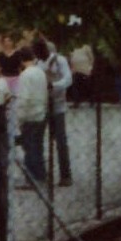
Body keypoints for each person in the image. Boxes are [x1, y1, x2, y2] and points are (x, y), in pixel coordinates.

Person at [14, 40, 50, 184]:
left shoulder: (25, 75)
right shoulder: (40, 72)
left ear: (21, 60)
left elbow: (24, 98)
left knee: (29, 148)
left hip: (29, 115)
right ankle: (41, 174)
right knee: (38, 146)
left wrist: (18, 118)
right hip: (41, 112)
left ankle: (32, 177)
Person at [41, 35, 74, 186]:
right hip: (41, 103)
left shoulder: (59, 61)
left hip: (56, 103)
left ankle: (65, 174)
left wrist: (54, 86)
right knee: (37, 139)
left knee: (60, 140)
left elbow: (68, 79)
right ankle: (39, 172)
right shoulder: (37, 62)